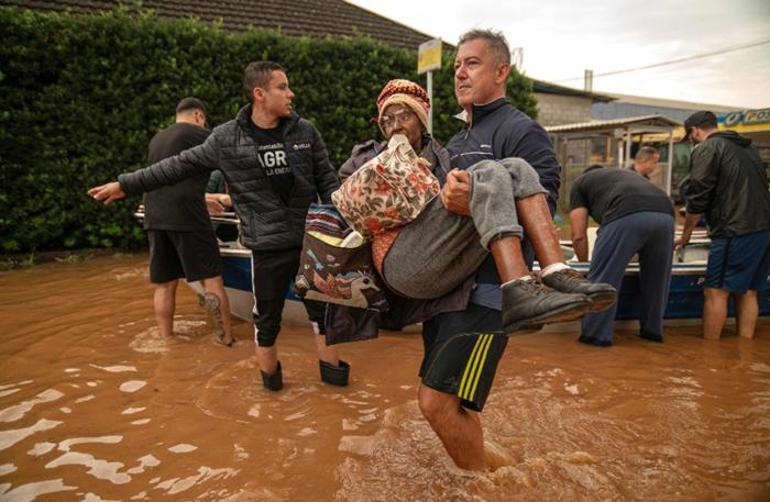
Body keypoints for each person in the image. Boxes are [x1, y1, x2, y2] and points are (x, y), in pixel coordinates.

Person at [410, 29, 615, 471]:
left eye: (472, 63)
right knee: (445, 400)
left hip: (488, 293)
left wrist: (474, 203)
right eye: (458, 65)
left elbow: (540, 203)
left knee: (435, 402)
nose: (460, 73)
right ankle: (504, 470)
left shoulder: (520, 130)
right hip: (449, 289)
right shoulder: (459, 138)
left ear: (501, 71)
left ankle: (482, 489)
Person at [88, 61, 349, 391]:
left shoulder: (305, 131)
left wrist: (347, 221)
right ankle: (272, 395)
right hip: (266, 248)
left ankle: (336, 391)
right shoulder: (225, 138)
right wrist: (126, 184)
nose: (290, 93)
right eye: (282, 87)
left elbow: (327, 180)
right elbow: (175, 167)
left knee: (324, 319)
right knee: (266, 324)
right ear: (259, 94)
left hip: (311, 243)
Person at [338, 80, 616, 334]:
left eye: (404, 116)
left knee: (518, 168)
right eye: (387, 120)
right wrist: (390, 177)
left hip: (440, 261)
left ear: (422, 122)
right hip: (398, 260)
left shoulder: (444, 157)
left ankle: (554, 270)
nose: (395, 125)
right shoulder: (369, 155)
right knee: (489, 172)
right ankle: (516, 288)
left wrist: (452, 193)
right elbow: (345, 206)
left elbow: (454, 215)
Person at [137, 97, 233, 346]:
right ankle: (227, 340)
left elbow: (168, 181)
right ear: (199, 116)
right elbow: (232, 156)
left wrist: (202, 197)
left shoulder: (157, 139)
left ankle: (167, 340)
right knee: (212, 280)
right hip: (187, 217)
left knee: (165, 284)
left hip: (154, 215)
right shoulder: (197, 134)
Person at [676, 110, 770, 340]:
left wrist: (687, 232)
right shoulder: (748, 148)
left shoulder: (708, 148)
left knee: (715, 291)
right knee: (748, 292)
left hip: (734, 229)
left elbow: (698, 195)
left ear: (695, 131)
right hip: (764, 228)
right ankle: (743, 349)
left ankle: (710, 356)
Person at [569, 165, 676, 347]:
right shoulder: (625, 177)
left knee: (602, 281)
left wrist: (584, 266)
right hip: (666, 215)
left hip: (625, 212)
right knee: (657, 280)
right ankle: (652, 333)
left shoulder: (580, 183)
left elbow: (578, 236)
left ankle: (595, 338)